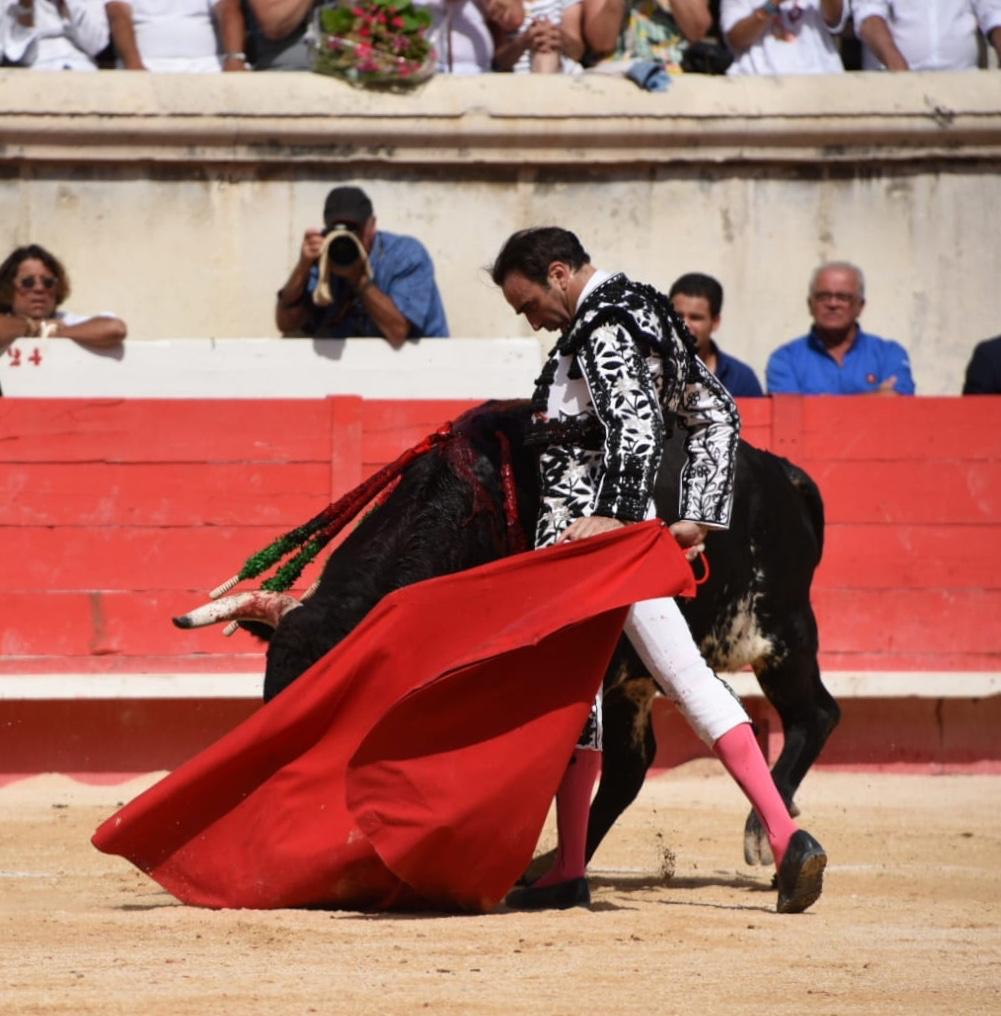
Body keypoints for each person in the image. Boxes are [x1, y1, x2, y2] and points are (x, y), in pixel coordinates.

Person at [491, 226, 827, 913]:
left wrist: (613, 518)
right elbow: (713, 413)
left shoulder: (604, 323)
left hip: (588, 547)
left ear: (557, 273)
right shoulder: (644, 309)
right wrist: (695, 518)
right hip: (629, 538)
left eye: (528, 304)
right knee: (689, 681)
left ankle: (568, 871)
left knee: (575, 696)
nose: (530, 320)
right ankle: (785, 830)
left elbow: (634, 424)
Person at [275, 185, 449, 346]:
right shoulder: (325, 254)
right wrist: (303, 267)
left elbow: (398, 331)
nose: (347, 237)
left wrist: (359, 279)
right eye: (337, 230)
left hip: (421, 368)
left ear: (372, 225)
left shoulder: (405, 256)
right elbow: (285, 323)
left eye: (354, 229)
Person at [766, 261, 915, 395]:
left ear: (860, 306)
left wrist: (818, 407)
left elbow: (896, 406)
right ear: (810, 305)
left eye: (843, 297)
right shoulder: (785, 360)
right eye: (823, 297)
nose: (833, 304)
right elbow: (789, 416)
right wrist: (873, 398)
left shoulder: (888, 355)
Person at [0, 244, 127, 350]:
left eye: (48, 283)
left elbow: (115, 328)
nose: (39, 288)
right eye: (28, 282)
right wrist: (35, 326)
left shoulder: (65, 322)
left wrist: (55, 332)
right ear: (8, 287)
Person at [668, 271, 763, 396]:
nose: (684, 325)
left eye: (695, 318)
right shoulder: (646, 371)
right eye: (678, 316)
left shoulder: (741, 379)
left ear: (715, 322)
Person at [854, 0, 1001, 71]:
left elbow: (995, 14)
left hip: (963, 79)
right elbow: (869, 19)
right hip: (895, 83)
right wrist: (902, 75)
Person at [105, 0, 247, 72]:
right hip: (147, 64)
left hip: (208, 65)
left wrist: (234, 59)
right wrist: (134, 66)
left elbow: (228, 9)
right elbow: (118, 15)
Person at [721, 0, 848, 75]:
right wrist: (772, 4)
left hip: (820, 80)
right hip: (760, 81)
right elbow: (736, 39)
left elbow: (834, 20)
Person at [1, 0, 109, 70]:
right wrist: (26, 5)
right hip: (38, 68)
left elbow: (96, 44)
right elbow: (14, 52)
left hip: (82, 66)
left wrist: (67, 4)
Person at [492, 0, 584, 72]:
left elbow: (577, 53)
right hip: (520, 80)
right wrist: (523, 42)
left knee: (546, 49)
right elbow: (499, 62)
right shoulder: (501, 4)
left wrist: (556, 36)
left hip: (563, 73)